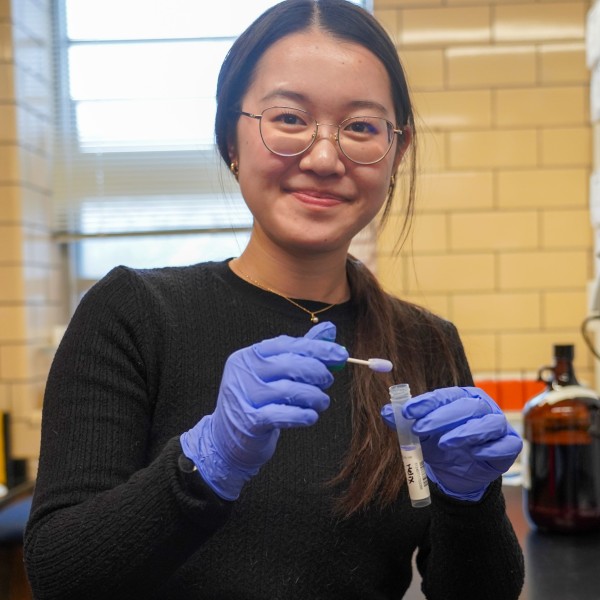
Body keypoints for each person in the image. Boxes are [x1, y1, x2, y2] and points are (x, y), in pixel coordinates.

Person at [24, 1, 525, 598]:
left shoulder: (424, 343)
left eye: (361, 127)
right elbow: (59, 575)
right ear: (230, 137)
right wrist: (205, 464)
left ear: (398, 152)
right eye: (288, 118)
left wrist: (471, 498)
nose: (322, 157)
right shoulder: (132, 313)